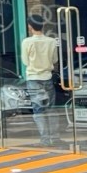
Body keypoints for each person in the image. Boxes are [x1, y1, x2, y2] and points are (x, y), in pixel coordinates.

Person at [21, 14, 61, 146]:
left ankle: (45, 139)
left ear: (30, 26)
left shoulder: (27, 42)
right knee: (51, 109)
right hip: (47, 77)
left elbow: (25, 61)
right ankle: (55, 137)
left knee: (38, 110)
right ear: (42, 25)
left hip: (33, 79)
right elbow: (55, 60)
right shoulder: (51, 41)